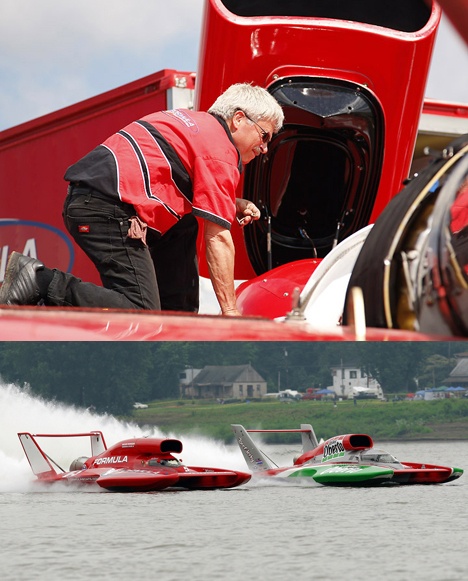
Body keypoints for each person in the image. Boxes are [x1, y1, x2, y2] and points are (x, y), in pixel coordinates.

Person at [0, 84, 284, 315]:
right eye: (264, 136)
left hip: (98, 201)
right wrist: (231, 313)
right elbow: (218, 237)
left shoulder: (196, 126)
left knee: (184, 230)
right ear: (238, 119)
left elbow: (176, 184)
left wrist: (232, 203)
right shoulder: (221, 150)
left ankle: (179, 323)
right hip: (107, 209)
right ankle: (38, 280)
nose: (264, 148)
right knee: (141, 314)